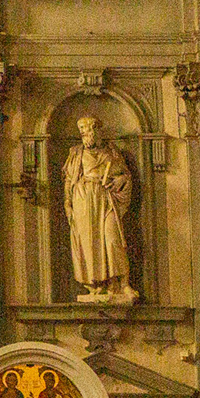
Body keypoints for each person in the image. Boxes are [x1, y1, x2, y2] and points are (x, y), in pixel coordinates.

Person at [64, 114, 137, 303]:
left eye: (87, 129)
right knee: (89, 243)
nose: (85, 134)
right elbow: (69, 181)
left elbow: (125, 175)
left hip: (106, 198)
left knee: (113, 239)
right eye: (81, 131)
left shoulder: (111, 152)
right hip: (83, 199)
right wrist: (68, 203)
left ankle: (123, 283)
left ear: (97, 131)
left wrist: (120, 180)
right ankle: (97, 286)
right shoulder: (76, 153)